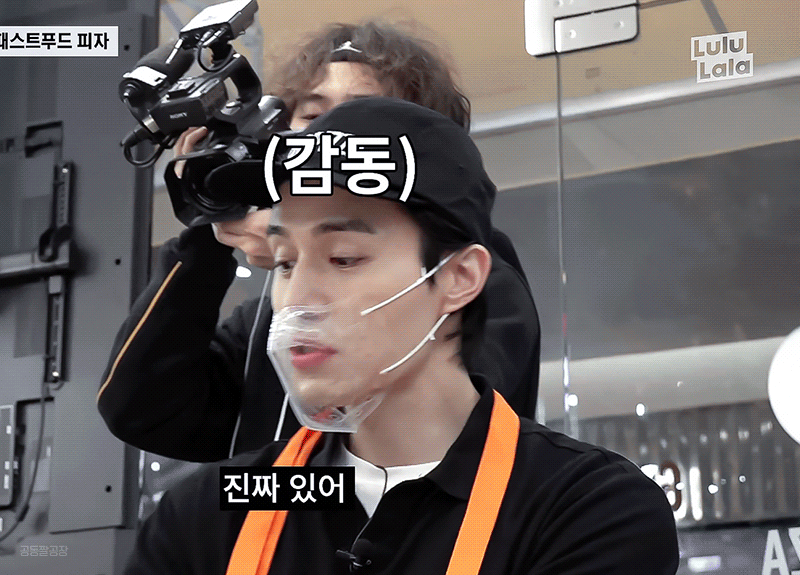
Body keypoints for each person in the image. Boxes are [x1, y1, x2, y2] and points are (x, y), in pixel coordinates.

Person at [121, 97, 679, 575]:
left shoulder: (586, 506)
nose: (298, 298)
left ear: (459, 277)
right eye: (286, 262)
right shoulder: (209, 513)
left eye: (344, 257)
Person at [96, 21, 541, 462]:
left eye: (346, 259)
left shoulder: (469, 275)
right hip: (281, 509)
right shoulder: (273, 315)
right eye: (311, 117)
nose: (330, 134)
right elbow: (142, 409)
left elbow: (462, 428)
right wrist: (209, 234)